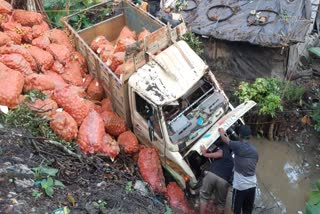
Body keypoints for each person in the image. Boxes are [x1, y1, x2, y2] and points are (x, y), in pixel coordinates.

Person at [218, 125, 258, 214]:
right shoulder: (255, 151)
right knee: (247, 211)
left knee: (236, 210)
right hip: (252, 185)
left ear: (239, 136)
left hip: (240, 186)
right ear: (250, 137)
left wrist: (221, 131)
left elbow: (225, 140)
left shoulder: (237, 145)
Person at [199, 141, 234, 214]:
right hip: (224, 180)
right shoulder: (235, 158)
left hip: (212, 174)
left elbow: (220, 154)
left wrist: (205, 154)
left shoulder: (225, 147)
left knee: (204, 197)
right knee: (221, 204)